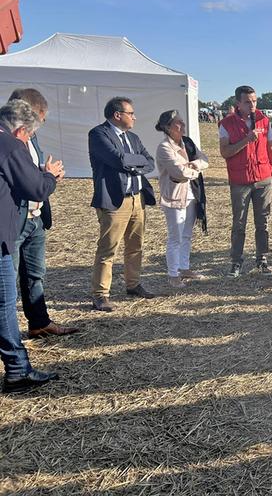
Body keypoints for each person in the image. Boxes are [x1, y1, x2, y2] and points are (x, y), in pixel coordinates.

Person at [0, 100, 64, 393]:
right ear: (21, 130)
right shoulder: (10, 145)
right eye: (29, 135)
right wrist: (49, 175)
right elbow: (36, 188)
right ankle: (17, 369)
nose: (28, 141)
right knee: (4, 303)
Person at [8, 89, 78, 338]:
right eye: (42, 117)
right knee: (7, 283)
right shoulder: (7, 139)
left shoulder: (31, 139)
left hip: (34, 218)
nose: (42, 124)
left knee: (35, 275)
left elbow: (30, 173)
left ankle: (39, 322)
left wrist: (46, 172)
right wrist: (47, 176)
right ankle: (9, 336)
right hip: (13, 220)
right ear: (30, 112)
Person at [89, 97, 157, 312]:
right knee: (108, 248)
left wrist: (133, 165)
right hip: (114, 200)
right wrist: (135, 163)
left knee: (136, 245)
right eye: (131, 113)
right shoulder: (99, 134)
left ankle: (133, 284)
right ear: (117, 115)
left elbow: (150, 161)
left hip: (137, 198)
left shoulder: (133, 138)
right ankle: (101, 295)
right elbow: (117, 159)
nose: (134, 117)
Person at [219, 85, 272, 278]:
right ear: (238, 103)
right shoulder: (227, 124)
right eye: (247, 102)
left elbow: (270, 148)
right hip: (240, 180)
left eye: (254, 101)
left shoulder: (264, 120)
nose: (252, 105)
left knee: (263, 222)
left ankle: (262, 259)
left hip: (263, 178)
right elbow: (225, 152)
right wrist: (245, 140)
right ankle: (236, 261)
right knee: (239, 223)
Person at [155, 110, 209, 288]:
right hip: (175, 197)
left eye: (182, 122)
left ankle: (184, 267)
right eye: (178, 123)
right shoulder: (164, 147)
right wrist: (194, 170)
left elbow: (204, 160)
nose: (183, 125)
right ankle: (173, 274)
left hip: (192, 195)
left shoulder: (188, 143)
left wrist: (193, 165)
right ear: (168, 127)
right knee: (175, 237)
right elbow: (178, 172)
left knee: (187, 235)